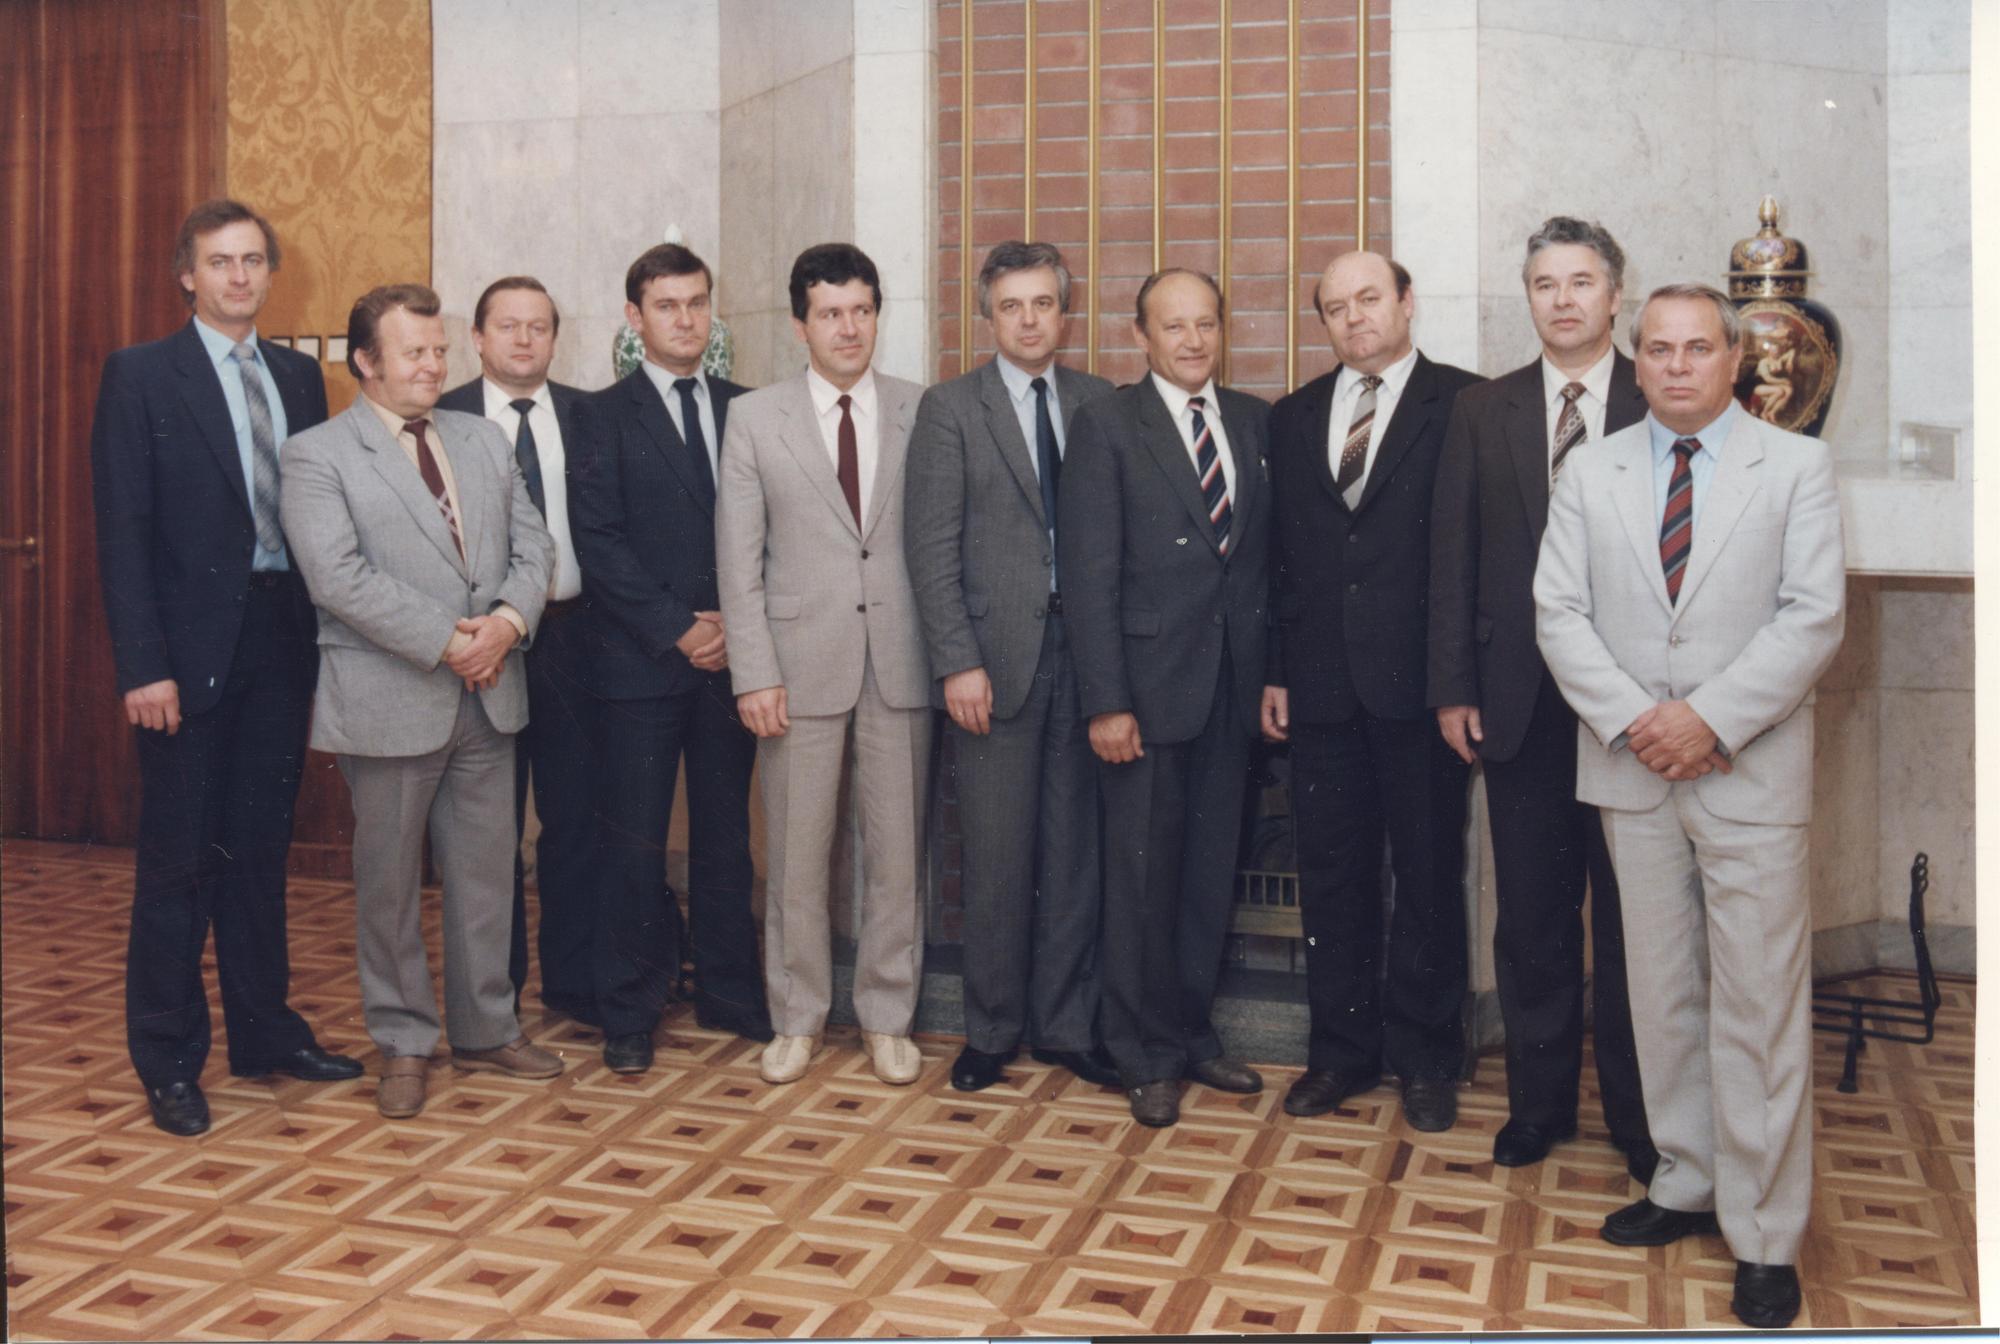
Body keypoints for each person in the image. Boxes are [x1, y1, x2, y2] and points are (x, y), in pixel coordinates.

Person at [1535, 283, 1845, 1330]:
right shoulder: (1591, 469)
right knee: (1660, 993)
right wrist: (1640, 722)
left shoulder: (1794, 467)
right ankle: (1686, 1177)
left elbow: (1812, 619)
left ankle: (1763, 1233)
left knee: (1757, 1007)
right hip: (1633, 770)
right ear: (1638, 360)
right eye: (1659, 350)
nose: (1676, 366)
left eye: (1697, 348)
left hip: (1746, 772)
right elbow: (1557, 612)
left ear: (1732, 359)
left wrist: (1707, 719)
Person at [89, 198, 361, 1137]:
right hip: (185, 661)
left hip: (280, 645)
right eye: (220, 261)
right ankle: (168, 1061)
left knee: (259, 855)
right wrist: (143, 667)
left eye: (252, 261)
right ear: (187, 276)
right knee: (178, 865)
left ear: (269, 273)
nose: (239, 277)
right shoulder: (140, 375)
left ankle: (264, 1033)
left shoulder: (298, 376)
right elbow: (123, 535)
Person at [280, 284, 560, 1119]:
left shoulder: (481, 437)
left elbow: (535, 546)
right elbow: (336, 577)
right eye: (414, 352)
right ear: (366, 361)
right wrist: (451, 641)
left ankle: (486, 1028)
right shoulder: (317, 455)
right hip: (390, 697)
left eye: (439, 350)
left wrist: (506, 625)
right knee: (390, 885)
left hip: (490, 694)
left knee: (487, 874)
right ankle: (403, 1040)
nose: (435, 365)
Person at [1427, 217, 1656, 1176]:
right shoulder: (1485, 410)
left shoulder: (1658, 395)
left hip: (1636, 709)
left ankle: (1644, 1123)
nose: (1562, 300)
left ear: (1615, 294)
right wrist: (1452, 686)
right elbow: (1453, 556)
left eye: (1581, 282)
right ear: (1527, 297)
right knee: (1531, 921)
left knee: (1639, 925)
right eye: (1544, 284)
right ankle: (1540, 1107)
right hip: (1517, 702)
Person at [1261, 251, 1481, 1132]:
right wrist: (1278, 670)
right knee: (1332, 876)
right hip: (1320, 690)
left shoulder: (1465, 404)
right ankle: (1340, 1055)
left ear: (1407, 302)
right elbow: (1280, 559)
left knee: (1427, 875)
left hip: (1423, 691)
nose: (1354, 318)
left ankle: (1427, 1059)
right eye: (1335, 307)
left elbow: (1475, 554)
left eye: (1369, 299)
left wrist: (1459, 682)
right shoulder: (1293, 416)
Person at [1058, 267, 1271, 1128]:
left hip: (1231, 691)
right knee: (1142, 882)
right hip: (1143, 698)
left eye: (1205, 324)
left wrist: (1270, 676)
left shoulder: (1252, 421)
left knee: (1208, 875)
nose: (1192, 340)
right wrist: (1106, 702)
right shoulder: (1107, 425)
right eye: (1173, 326)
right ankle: (1142, 1053)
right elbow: (1088, 574)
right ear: (1140, 336)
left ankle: (1190, 1034)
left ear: (1223, 330)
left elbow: (1262, 566)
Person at [714, 244, 931, 1087]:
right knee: (798, 859)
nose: (849, 328)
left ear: (878, 315)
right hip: (795, 670)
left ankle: (888, 1018)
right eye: (831, 313)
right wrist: (753, 672)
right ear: (800, 324)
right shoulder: (754, 418)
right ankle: (796, 1018)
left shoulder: (920, 409)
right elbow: (739, 562)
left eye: (862, 311)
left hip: (901, 663)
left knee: (897, 855)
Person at [904, 241, 1117, 1093]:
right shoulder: (951, 409)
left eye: (1043, 304)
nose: (1029, 320)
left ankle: (1065, 1026)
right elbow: (930, 549)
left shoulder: (1099, 402)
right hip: (993, 668)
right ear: (987, 318)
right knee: (995, 856)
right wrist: (957, 661)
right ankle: (990, 1030)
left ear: (1065, 313)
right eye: (1012, 306)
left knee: (1075, 856)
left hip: (1087, 663)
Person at [567, 244, 769, 1073]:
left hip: (733, 661)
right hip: (640, 663)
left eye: (696, 303)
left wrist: (735, 629)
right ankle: (629, 1008)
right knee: (635, 845)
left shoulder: (749, 408)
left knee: (728, 839)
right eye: (666, 305)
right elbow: (599, 543)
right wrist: (679, 628)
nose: (686, 319)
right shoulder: (598, 415)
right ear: (635, 317)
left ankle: (729, 992)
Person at [436, 276, 596, 1026]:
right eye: (508, 326)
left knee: (574, 818)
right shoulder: (441, 419)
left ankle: (572, 982)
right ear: (477, 337)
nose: (525, 339)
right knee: (488, 828)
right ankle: (493, 996)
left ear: (556, 338)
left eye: (539, 326)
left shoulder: (592, 415)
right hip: (481, 647)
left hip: (573, 638)